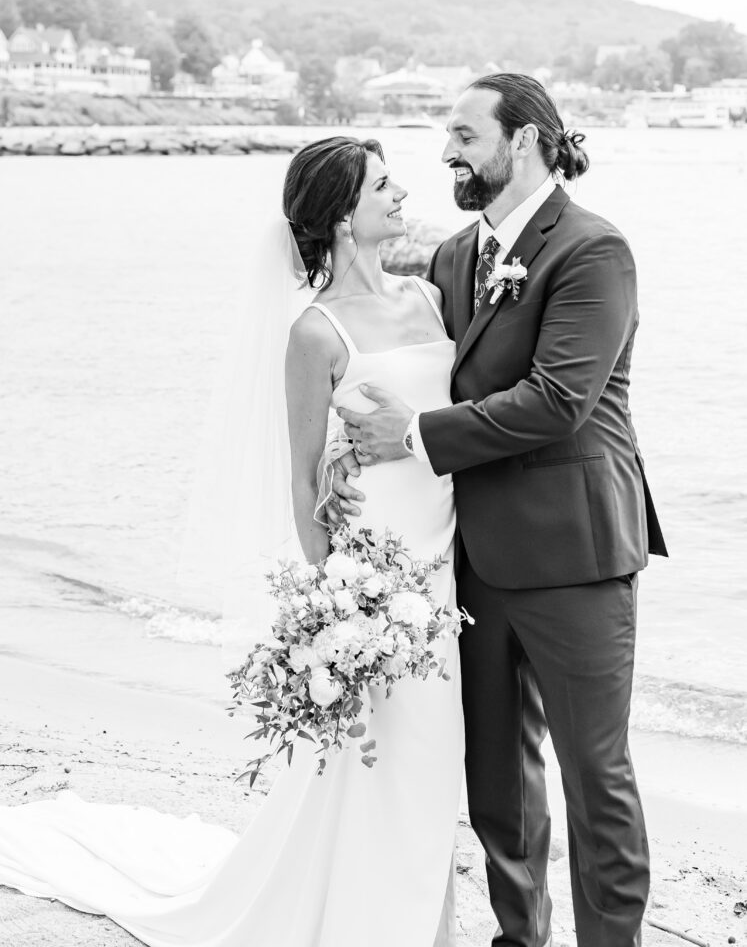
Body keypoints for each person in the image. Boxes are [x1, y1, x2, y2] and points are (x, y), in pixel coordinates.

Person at [0, 137, 464, 946]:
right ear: (343, 216)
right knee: (382, 749)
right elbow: (298, 478)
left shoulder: (429, 299)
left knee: (431, 753)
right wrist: (331, 603)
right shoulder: (315, 334)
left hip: (443, 555)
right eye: (383, 186)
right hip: (374, 577)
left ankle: (421, 917)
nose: (400, 194)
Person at [330, 74, 668, 947]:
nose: (445, 151)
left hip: (577, 554)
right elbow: (398, 345)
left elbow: (558, 400)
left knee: (597, 776)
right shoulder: (456, 256)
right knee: (497, 781)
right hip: (470, 558)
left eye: (462, 134)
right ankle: (521, 938)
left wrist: (411, 437)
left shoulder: (594, 250)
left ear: (521, 142)